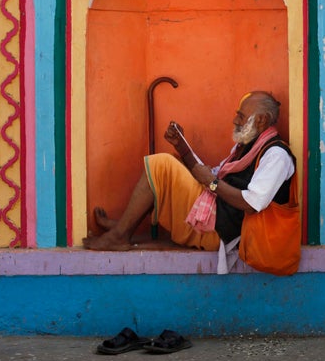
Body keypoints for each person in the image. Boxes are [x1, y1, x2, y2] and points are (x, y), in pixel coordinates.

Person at [83, 91, 295, 273]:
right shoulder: (246, 148)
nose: (236, 121)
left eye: (241, 116)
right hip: (217, 214)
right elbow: (211, 174)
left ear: (261, 120)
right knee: (173, 162)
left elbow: (250, 203)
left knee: (162, 165)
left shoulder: (276, 155)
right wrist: (183, 149)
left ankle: (120, 235)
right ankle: (125, 225)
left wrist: (212, 183)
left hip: (222, 232)